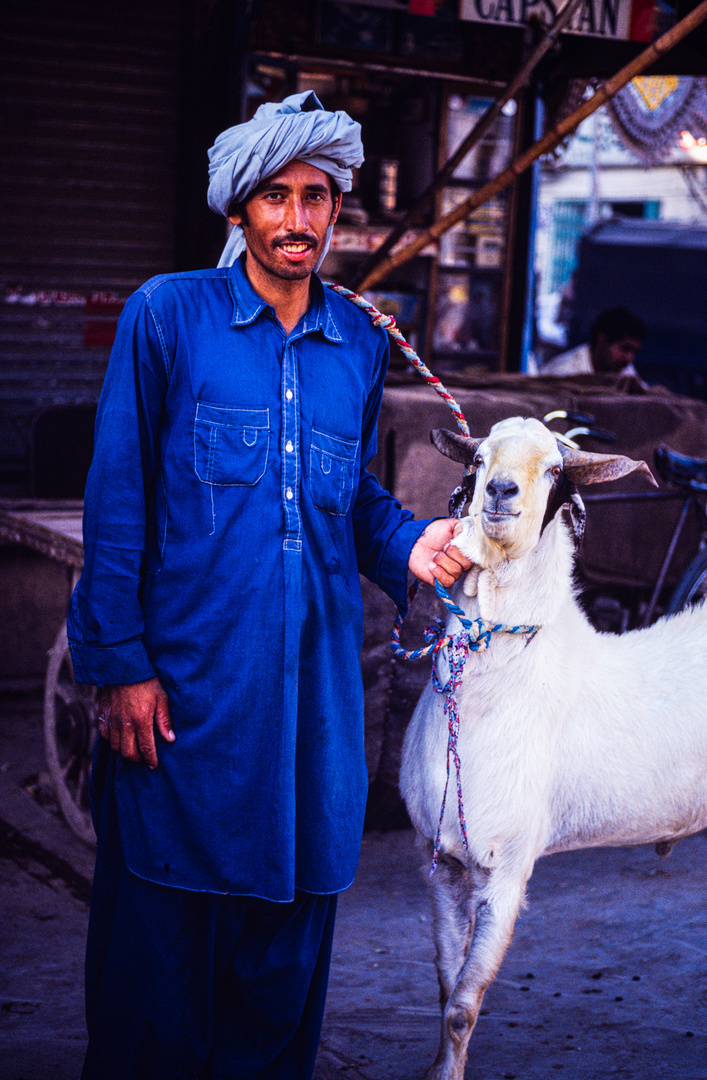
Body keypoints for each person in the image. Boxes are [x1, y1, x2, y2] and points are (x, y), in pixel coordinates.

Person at [67, 91, 471, 1080]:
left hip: (315, 704)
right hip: (189, 696)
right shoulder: (168, 317)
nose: (299, 219)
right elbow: (118, 498)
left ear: (337, 208)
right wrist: (118, 664)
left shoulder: (359, 340)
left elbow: (343, 491)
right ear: (239, 208)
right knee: (157, 965)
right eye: (277, 196)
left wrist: (410, 541)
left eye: (318, 196)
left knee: (281, 963)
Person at [540, 305, 646, 377]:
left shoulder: (624, 369)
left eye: (634, 352)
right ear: (602, 340)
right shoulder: (564, 373)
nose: (629, 359)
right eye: (625, 349)